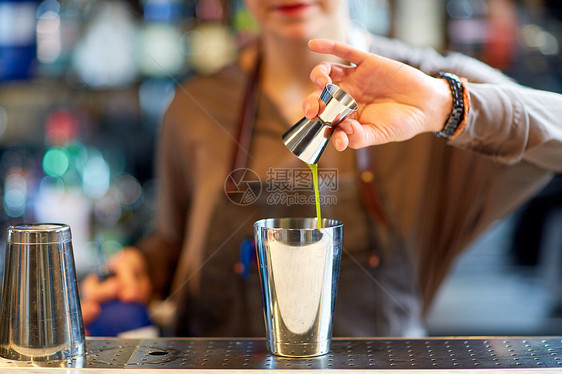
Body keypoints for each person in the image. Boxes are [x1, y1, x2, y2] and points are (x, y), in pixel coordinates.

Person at [80, 0, 562, 337]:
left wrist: (448, 106)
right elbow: (174, 243)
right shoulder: (196, 106)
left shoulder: (429, 85)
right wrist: (143, 267)